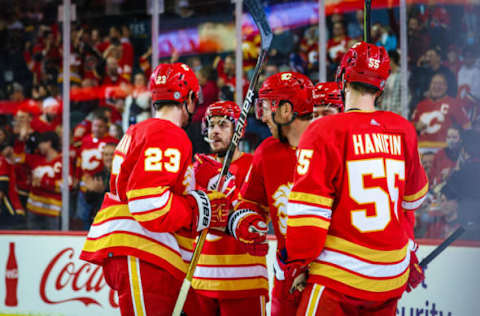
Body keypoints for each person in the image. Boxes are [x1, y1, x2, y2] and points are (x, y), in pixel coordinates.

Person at [283, 42, 429, 315]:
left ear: (343, 78)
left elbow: (307, 215)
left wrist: (299, 264)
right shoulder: (403, 129)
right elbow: (411, 202)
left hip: (340, 277)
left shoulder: (322, 130)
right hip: (390, 278)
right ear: (381, 85)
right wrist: (406, 252)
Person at [80, 63, 230, 316]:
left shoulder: (141, 130)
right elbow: (149, 203)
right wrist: (198, 208)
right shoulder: (167, 133)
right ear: (190, 98)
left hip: (147, 253)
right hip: (144, 252)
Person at [234, 72, 315, 316]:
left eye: (268, 107)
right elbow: (250, 203)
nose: (263, 117)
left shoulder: (330, 145)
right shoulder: (266, 152)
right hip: (285, 271)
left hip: (328, 273)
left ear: (287, 110)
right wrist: (247, 221)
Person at [186, 100, 269, 316]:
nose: (215, 131)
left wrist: (225, 190)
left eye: (223, 125)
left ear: (238, 130)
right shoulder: (198, 168)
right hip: (201, 280)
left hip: (245, 280)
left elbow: (258, 221)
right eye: (211, 125)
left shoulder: (255, 165)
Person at [75, 113, 118, 229]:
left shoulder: (113, 141)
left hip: (115, 219)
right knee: (83, 219)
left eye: (100, 126)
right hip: (88, 185)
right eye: (94, 125)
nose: (96, 129)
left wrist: (103, 189)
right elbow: (79, 160)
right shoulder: (85, 140)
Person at [412, 73, 470, 152]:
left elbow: (467, 126)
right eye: (434, 83)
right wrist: (416, 126)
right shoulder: (421, 105)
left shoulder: (454, 104)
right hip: (422, 148)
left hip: (445, 150)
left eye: (440, 84)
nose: (437, 86)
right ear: (430, 86)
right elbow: (411, 127)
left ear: (446, 87)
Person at [26, 131, 71, 230]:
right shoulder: (36, 159)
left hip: (52, 212)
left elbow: (68, 185)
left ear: (48, 143)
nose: (39, 146)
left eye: (41, 143)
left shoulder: (63, 161)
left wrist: (45, 182)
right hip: (33, 209)